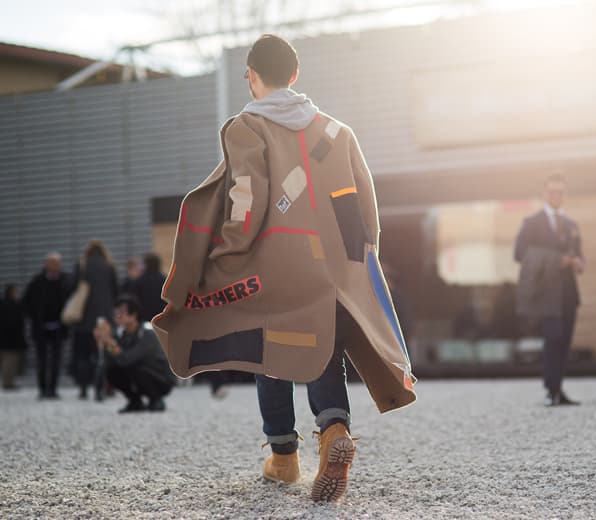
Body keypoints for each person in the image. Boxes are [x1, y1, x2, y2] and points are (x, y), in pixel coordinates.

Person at [151, 34, 416, 502]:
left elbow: (246, 201)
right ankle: (334, 429)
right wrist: (359, 260)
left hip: (275, 260)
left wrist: (225, 254)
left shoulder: (246, 127)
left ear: (251, 76)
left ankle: (283, 456)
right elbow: (365, 206)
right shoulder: (338, 132)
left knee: (269, 352)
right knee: (322, 346)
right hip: (335, 264)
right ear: (295, 76)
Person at [514, 173, 584, 406]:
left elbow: (580, 256)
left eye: (560, 192)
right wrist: (556, 260)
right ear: (545, 193)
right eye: (552, 191)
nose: (556, 195)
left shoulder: (572, 224)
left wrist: (577, 263)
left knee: (564, 341)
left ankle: (558, 388)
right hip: (546, 294)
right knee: (553, 338)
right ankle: (551, 388)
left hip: (569, 292)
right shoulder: (532, 223)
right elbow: (520, 254)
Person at [93, 294, 176, 413]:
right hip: (137, 373)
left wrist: (109, 342)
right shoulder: (120, 334)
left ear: (134, 314)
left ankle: (155, 399)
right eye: (116, 312)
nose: (118, 316)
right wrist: (102, 344)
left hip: (160, 379)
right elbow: (112, 360)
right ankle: (134, 400)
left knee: (135, 368)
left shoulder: (147, 333)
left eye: (122, 312)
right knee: (112, 370)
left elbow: (127, 359)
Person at [71, 240, 118, 401]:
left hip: (84, 318)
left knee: (83, 355)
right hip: (103, 318)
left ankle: (83, 388)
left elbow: (73, 288)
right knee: (101, 354)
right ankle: (100, 389)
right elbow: (116, 291)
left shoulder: (82, 266)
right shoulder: (109, 266)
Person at [23, 252, 70, 399]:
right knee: (42, 360)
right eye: (52, 263)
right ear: (46, 264)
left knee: (56, 361)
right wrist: (35, 317)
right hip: (41, 328)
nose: (55, 266)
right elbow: (26, 302)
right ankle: (43, 389)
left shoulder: (66, 281)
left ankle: (53, 389)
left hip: (59, 327)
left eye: (57, 263)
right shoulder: (37, 281)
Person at [0, 284, 27, 390]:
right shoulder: (10, 304)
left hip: (7, 338)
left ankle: (9, 382)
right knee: (9, 362)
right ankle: (8, 383)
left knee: (9, 362)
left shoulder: (6, 303)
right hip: (10, 339)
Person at [133, 253, 166, 322]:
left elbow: (136, 301)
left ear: (146, 265)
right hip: (162, 316)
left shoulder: (139, 281)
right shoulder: (165, 279)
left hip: (145, 317)